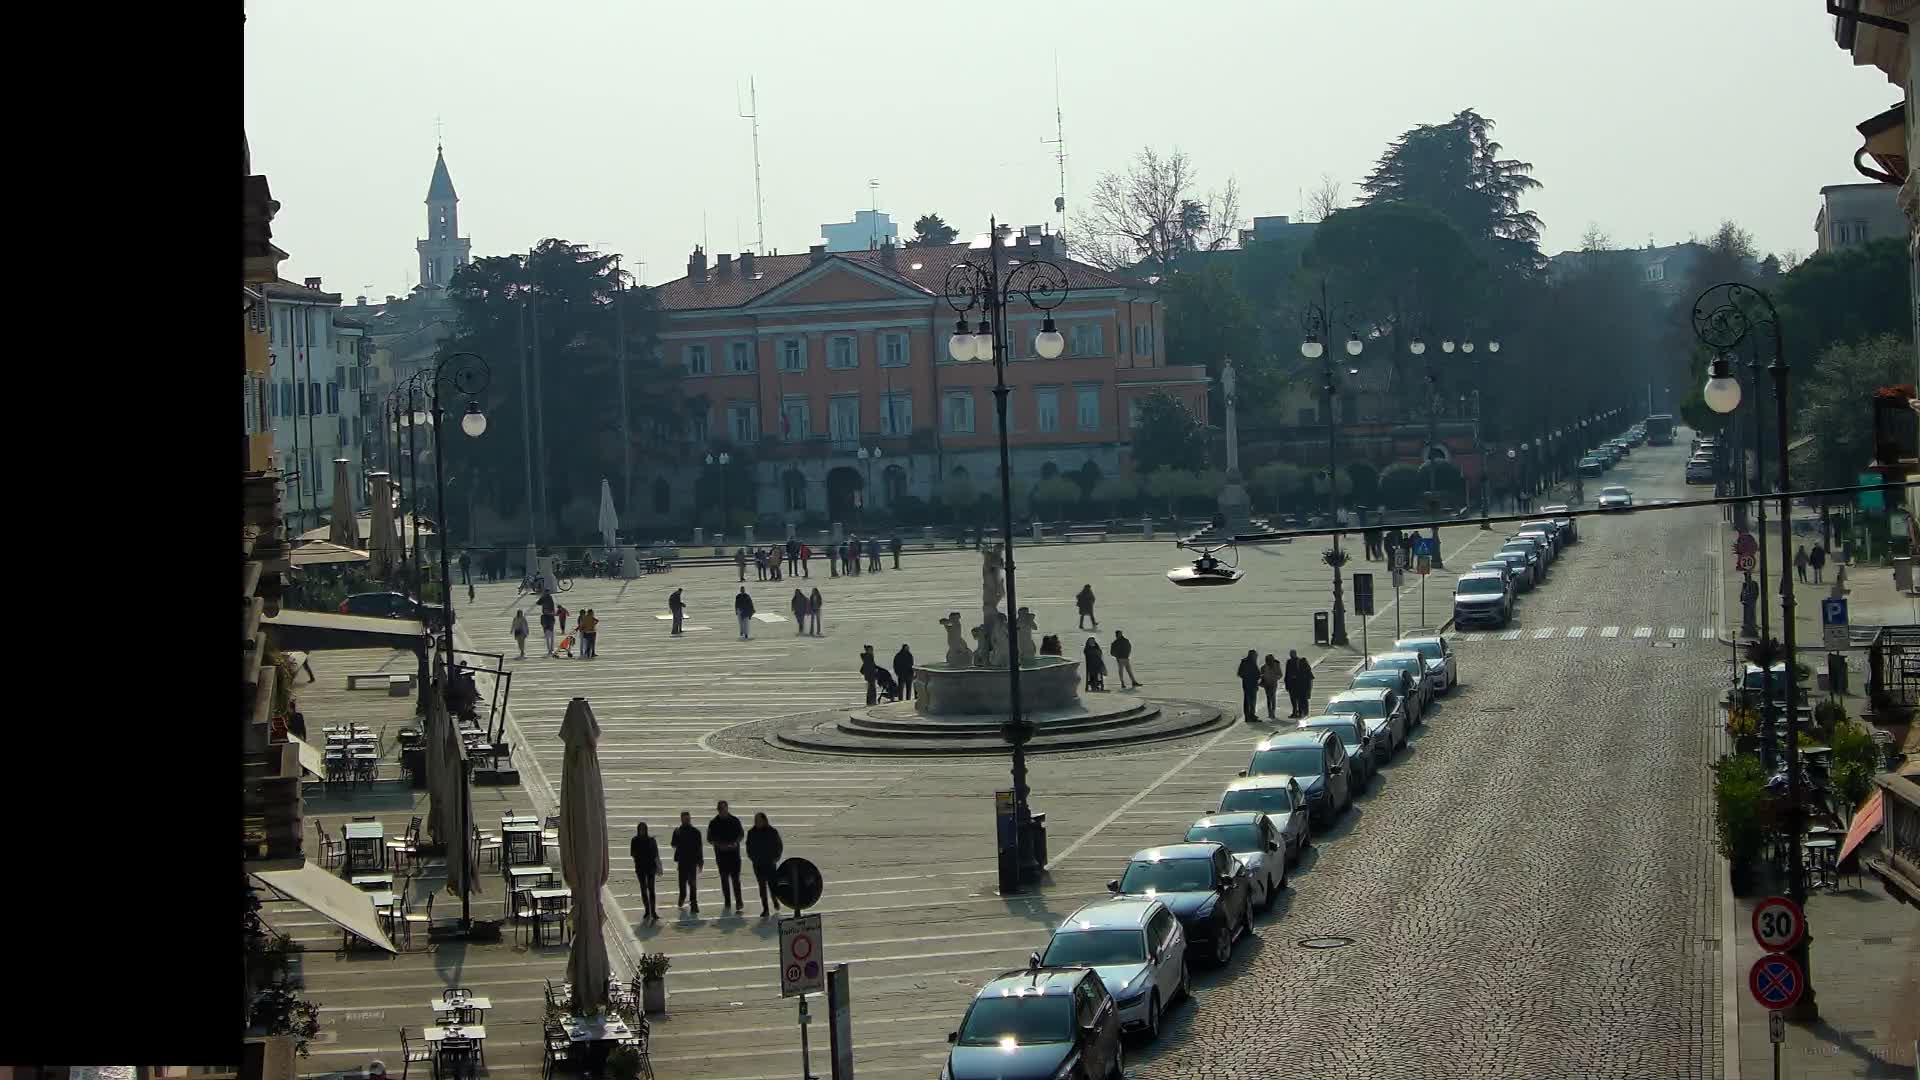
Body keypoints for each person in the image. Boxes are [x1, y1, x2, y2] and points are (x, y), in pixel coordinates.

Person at [708, 800, 745, 913]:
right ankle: (727, 901)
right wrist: (718, 845)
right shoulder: (713, 823)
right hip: (721, 856)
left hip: (734, 855)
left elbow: (741, 834)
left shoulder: (734, 821)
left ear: (727, 808)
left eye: (723, 809)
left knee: (735, 880)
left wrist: (735, 843)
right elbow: (710, 838)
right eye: (720, 809)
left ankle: (739, 902)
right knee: (724, 880)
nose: (722, 811)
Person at [746, 812, 784, 918]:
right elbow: (748, 847)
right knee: (762, 887)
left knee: (772, 886)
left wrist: (775, 858)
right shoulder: (751, 833)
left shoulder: (772, 832)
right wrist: (753, 858)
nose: (757, 822)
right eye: (756, 820)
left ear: (764, 820)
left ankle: (775, 899)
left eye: (759, 820)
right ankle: (765, 909)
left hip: (770, 863)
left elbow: (779, 846)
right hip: (758, 864)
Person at [670, 811, 703, 915]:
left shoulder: (695, 832)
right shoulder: (678, 831)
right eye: (684, 819)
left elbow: (699, 847)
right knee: (682, 883)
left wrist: (700, 861)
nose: (686, 820)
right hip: (682, 861)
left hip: (692, 861)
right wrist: (677, 836)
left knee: (692, 884)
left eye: (688, 819)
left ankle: (694, 904)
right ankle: (682, 896)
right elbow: (673, 844)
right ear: (681, 819)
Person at [631, 822, 662, 922]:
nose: (642, 831)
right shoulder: (634, 840)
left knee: (651, 889)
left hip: (650, 868)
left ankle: (653, 911)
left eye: (644, 829)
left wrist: (658, 866)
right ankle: (647, 910)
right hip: (640, 868)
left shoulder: (651, 840)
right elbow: (632, 853)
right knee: (644, 889)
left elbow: (656, 854)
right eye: (641, 829)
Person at [1237, 650, 1261, 723]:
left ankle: (1249, 716)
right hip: (1250, 684)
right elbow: (1240, 673)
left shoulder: (1246, 662)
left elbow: (1240, 673)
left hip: (1248, 684)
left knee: (1249, 701)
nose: (1256, 657)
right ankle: (1250, 716)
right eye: (1255, 655)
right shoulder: (1249, 662)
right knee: (1250, 701)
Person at [1288, 649, 1314, 718]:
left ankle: (1301, 712)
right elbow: (1287, 673)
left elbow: (1309, 677)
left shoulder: (1301, 664)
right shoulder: (1290, 662)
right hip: (1296, 685)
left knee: (1301, 700)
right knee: (1297, 700)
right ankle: (1299, 712)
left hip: (1301, 685)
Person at [1260, 653, 1284, 720]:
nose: (1269, 661)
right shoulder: (1263, 667)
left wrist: (1276, 678)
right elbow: (1260, 676)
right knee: (1269, 698)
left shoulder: (1276, 665)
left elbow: (1280, 674)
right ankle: (1269, 713)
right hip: (1266, 684)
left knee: (1272, 698)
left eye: (1270, 660)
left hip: (1273, 684)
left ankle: (1272, 713)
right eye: (1267, 660)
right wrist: (1262, 677)